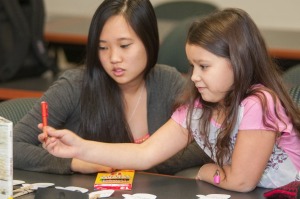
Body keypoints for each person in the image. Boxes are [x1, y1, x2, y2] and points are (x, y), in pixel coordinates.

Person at [39, 8, 300, 192]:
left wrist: (207, 170)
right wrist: (79, 147)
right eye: (191, 65)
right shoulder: (198, 109)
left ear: (238, 62)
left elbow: (242, 182)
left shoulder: (259, 102)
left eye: (204, 66)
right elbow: (144, 153)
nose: (194, 76)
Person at [14, 0, 210, 175]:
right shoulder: (75, 85)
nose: (114, 58)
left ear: (149, 41)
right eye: (103, 47)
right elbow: (11, 146)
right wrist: (75, 163)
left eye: (124, 46)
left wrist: (147, 159)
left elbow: (208, 143)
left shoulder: (168, 82)